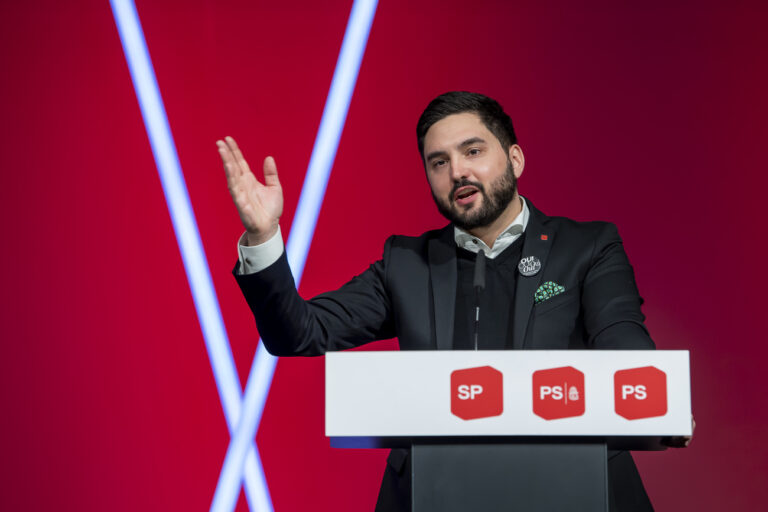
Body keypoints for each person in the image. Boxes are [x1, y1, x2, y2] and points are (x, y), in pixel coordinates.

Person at [217, 91, 688, 511]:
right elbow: (297, 333)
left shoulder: (586, 247)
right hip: (435, 491)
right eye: (438, 161)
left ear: (516, 159)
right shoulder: (406, 263)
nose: (457, 170)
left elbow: (623, 343)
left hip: (573, 484)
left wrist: (658, 398)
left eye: (473, 151)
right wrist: (263, 237)